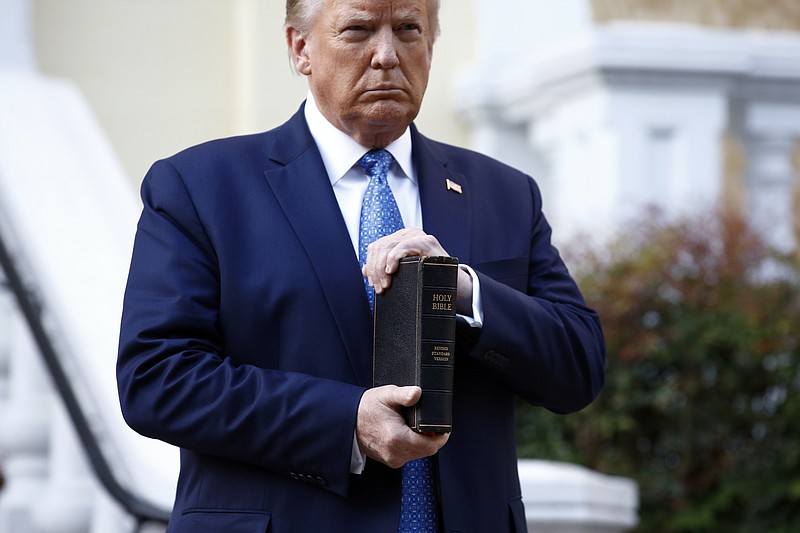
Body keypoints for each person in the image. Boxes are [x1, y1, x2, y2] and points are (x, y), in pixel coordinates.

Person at [116, 0, 605, 531]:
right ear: (300, 48)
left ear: (432, 44)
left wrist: (461, 289)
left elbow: (579, 366)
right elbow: (157, 377)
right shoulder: (201, 187)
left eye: (409, 30)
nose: (387, 56)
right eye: (359, 30)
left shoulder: (504, 194)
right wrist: (346, 422)